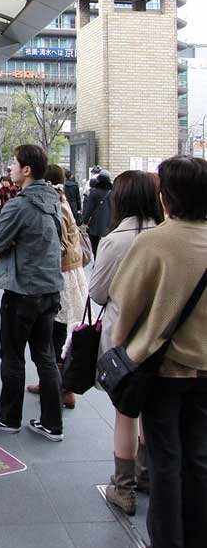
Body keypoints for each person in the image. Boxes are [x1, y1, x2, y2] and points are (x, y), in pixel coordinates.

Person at [109, 157, 207, 548]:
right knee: (200, 461)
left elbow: (125, 306)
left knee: (166, 463)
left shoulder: (156, 243)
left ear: (167, 197)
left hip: (163, 371)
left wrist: (122, 349)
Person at [0, 144, 64, 441]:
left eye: (14, 163)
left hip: (22, 291)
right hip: (50, 290)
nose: (10, 169)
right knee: (45, 356)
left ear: (27, 170)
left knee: (12, 355)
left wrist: (13, 244)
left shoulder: (19, 205)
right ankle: (53, 424)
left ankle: (8, 418)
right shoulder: (54, 200)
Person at [88, 171, 163, 515]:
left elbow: (97, 292)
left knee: (125, 414)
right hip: (163, 338)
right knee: (151, 408)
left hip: (125, 339)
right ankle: (148, 475)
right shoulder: (166, 234)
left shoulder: (115, 240)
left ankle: (124, 488)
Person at [27, 164, 88, 409]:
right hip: (67, 273)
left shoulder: (58, 206)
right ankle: (53, 383)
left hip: (62, 276)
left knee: (56, 334)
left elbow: (57, 245)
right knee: (55, 334)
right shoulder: (61, 202)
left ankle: (64, 387)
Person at [81, 169, 113, 256]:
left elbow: (89, 208)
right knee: (107, 245)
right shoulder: (113, 192)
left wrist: (84, 221)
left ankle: (96, 261)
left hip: (95, 222)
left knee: (95, 245)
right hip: (109, 223)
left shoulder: (94, 191)